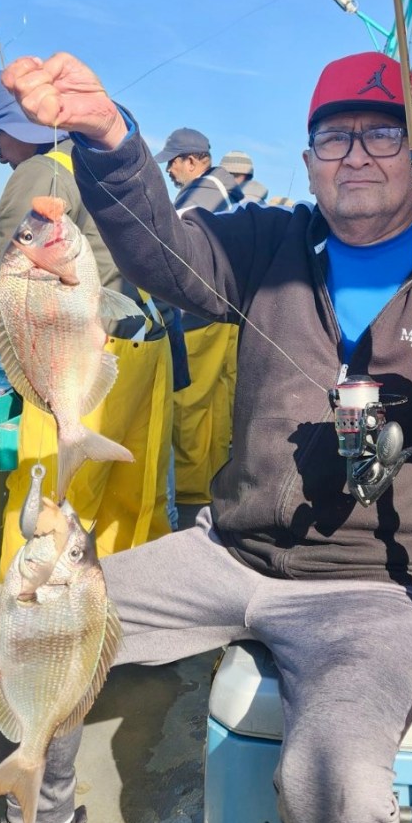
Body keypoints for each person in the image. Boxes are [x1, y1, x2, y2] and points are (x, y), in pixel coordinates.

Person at [0, 49, 412, 823]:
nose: (358, 157)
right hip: (230, 552)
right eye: (335, 141)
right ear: (309, 163)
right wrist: (105, 135)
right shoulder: (271, 240)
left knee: (330, 779)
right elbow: (159, 253)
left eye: (383, 136)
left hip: (384, 588)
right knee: (28, 628)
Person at [0, 70, 178, 576]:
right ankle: (120, 624)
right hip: (147, 347)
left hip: (81, 354)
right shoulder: (104, 163)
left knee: (48, 502)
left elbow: (1, 278)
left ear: (16, 125)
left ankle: (29, 630)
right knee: (133, 500)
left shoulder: (38, 173)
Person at [154, 127, 241, 528]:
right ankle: (209, 486)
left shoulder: (201, 194)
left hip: (197, 318)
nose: (170, 173)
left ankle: (188, 501)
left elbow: (173, 254)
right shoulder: (228, 190)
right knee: (214, 406)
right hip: (225, 317)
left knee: (188, 407)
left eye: (172, 163)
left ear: (193, 160)